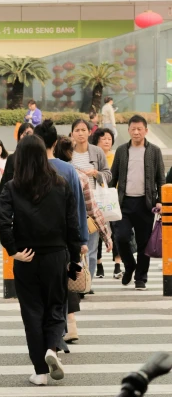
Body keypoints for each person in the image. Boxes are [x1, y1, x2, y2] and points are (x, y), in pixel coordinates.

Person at [0, 134, 81, 386]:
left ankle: (40, 372)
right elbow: (72, 225)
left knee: (32, 312)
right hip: (56, 255)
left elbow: (3, 223)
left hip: (27, 258)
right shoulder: (61, 184)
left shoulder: (12, 187)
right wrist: (74, 258)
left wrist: (13, 250)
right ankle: (52, 350)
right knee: (56, 307)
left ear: (21, 158)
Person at [34, 121, 88, 349]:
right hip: (64, 241)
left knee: (41, 291)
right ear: (55, 143)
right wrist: (82, 240)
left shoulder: (30, 170)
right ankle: (61, 332)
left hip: (36, 241)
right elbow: (78, 208)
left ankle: (51, 337)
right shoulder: (68, 171)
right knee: (61, 286)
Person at [55, 136, 112, 341]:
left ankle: (57, 328)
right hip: (72, 239)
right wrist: (106, 235)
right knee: (68, 278)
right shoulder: (78, 175)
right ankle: (70, 325)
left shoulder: (40, 174)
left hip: (47, 239)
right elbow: (91, 209)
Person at [110, 114, 165, 290]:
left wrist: (160, 201)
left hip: (146, 203)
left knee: (144, 242)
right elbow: (113, 177)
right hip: (124, 203)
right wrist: (109, 199)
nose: (136, 132)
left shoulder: (154, 151)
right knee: (121, 237)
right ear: (128, 131)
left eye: (139, 129)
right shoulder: (121, 151)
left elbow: (160, 179)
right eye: (132, 129)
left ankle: (141, 277)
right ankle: (129, 265)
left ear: (146, 130)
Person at [70, 118, 112, 282]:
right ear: (72, 133)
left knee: (92, 249)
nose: (80, 133)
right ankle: (74, 282)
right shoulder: (67, 152)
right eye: (77, 130)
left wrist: (96, 173)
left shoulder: (97, 152)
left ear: (89, 132)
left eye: (83, 130)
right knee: (74, 249)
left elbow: (108, 175)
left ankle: (88, 282)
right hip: (72, 206)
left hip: (93, 207)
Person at [91, 127, 123, 279]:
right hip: (96, 199)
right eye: (103, 138)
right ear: (97, 140)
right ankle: (99, 264)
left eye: (109, 139)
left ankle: (117, 264)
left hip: (112, 199)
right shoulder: (93, 157)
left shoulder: (115, 156)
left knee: (116, 232)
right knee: (96, 230)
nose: (107, 141)